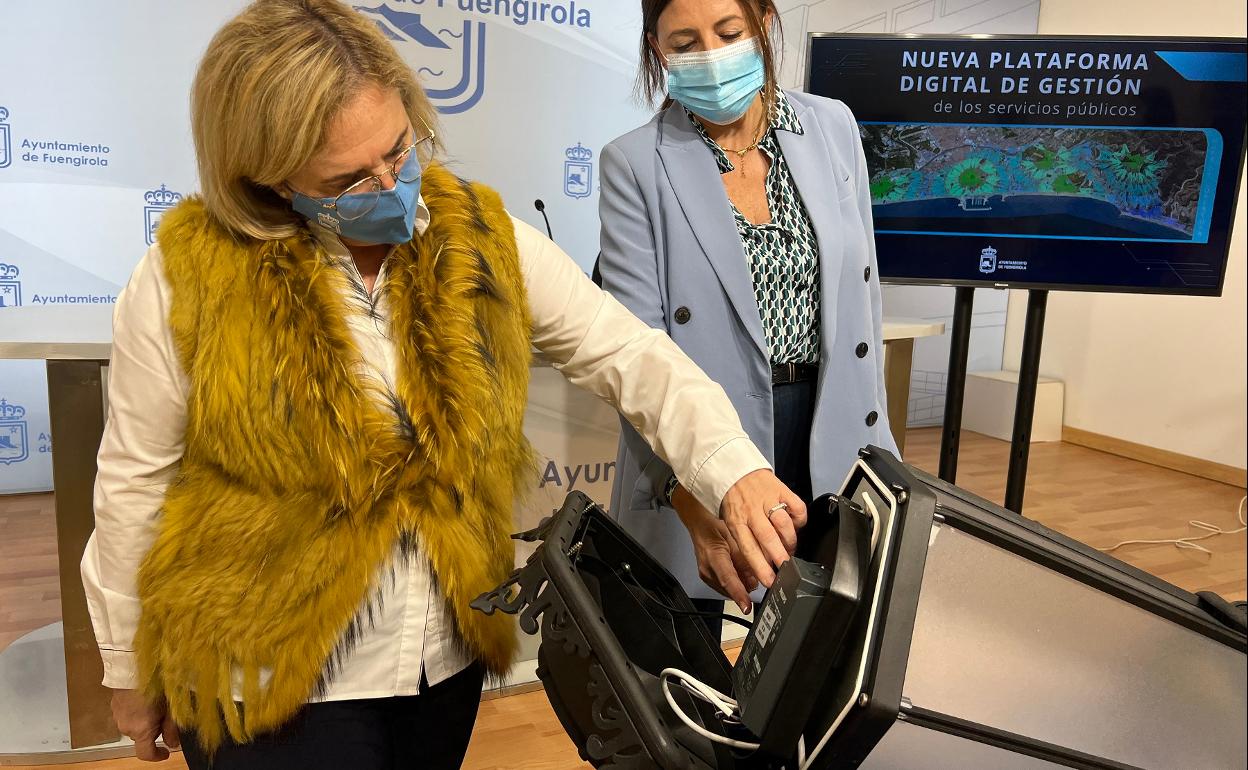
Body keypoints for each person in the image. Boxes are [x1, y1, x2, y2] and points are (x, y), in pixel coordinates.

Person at [79, 1, 807, 767]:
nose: (392, 183)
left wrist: (735, 468)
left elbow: (631, 354)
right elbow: (133, 484)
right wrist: (129, 669)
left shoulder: (481, 238)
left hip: (440, 661)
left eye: (400, 148)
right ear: (267, 175)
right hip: (263, 678)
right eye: (350, 177)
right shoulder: (183, 278)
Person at [599, 0, 897, 633]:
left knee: (821, 668)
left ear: (764, 23)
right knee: (685, 676)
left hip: (829, 431)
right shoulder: (634, 163)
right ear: (657, 51)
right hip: (704, 442)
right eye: (684, 42)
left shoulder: (832, 126)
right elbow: (635, 351)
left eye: (728, 32)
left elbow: (863, 304)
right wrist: (686, 494)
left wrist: (881, 453)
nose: (710, 54)